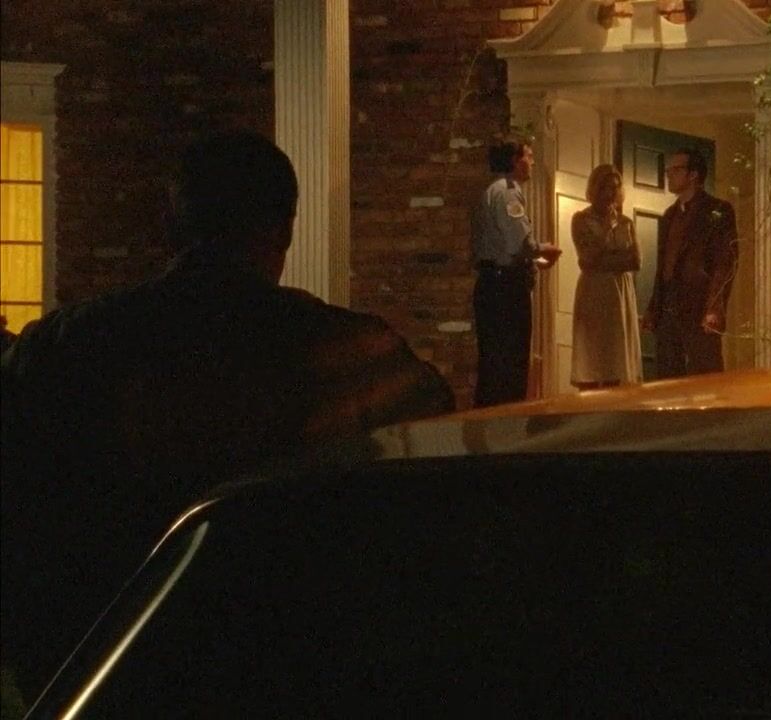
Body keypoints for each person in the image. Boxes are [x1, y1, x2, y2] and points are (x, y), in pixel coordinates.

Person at [0, 130, 454, 700]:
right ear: (285, 229)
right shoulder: (360, 358)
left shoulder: (66, 350)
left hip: (105, 670)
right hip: (290, 671)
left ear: (170, 225)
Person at [471, 138, 560, 407]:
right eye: (528, 156)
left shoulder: (492, 191)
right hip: (506, 289)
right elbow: (518, 243)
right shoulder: (508, 193)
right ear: (514, 160)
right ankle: (505, 421)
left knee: (493, 363)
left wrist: (533, 261)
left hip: (494, 283)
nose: (532, 162)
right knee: (509, 364)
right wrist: (543, 249)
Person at [642, 147, 738, 378]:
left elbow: (725, 261)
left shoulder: (717, 211)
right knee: (667, 375)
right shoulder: (669, 215)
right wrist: (654, 307)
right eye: (668, 171)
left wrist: (714, 306)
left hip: (699, 304)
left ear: (693, 174)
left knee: (705, 372)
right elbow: (663, 266)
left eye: (675, 170)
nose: (669, 175)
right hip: (669, 307)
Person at [570, 164, 642, 389]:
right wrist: (607, 229)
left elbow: (635, 261)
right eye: (606, 187)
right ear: (596, 188)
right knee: (593, 355)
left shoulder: (626, 222)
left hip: (620, 292)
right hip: (594, 291)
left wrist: (606, 261)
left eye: (616, 188)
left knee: (617, 356)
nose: (611, 193)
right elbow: (587, 259)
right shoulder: (581, 219)